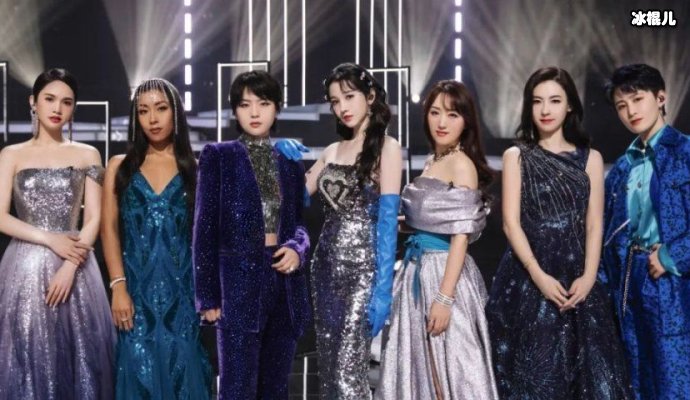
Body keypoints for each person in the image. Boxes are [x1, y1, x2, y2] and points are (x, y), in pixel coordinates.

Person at [485, 66, 632, 399]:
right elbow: (510, 223)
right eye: (537, 101)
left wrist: (589, 277)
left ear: (569, 106)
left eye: (554, 100)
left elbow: (594, 223)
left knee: (590, 378)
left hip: (579, 278)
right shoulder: (516, 156)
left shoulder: (591, 159)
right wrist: (539, 276)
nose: (545, 109)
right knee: (535, 377)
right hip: (527, 278)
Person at [279, 62, 402, 399]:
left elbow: (388, 223)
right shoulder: (332, 151)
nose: (342, 107)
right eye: (335, 101)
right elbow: (295, 198)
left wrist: (383, 290)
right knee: (331, 370)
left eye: (349, 96)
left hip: (363, 273)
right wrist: (283, 162)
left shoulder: (387, 148)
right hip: (324, 270)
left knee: (350, 374)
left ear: (370, 96)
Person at [375, 80, 498, 399]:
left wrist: (444, 298)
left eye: (452, 114)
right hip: (416, 272)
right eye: (435, 112)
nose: (442, 122)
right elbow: (426, 223)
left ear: (466, 121)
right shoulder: (434, 161)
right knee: (422, 371)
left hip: (444, 274)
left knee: (453, 370)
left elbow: (461, 236)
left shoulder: (462, 164)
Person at [193, 70, 310, 399]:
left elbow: (300, 223)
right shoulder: (219, 156)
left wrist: (297, 248)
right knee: (237, 388)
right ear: (235, 111)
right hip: (237, 287)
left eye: (264, 103)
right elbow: (204, 229)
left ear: (277, 109)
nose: (255, 113)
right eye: (245, 105)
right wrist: (208, 297)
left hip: (283, 284)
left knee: (275, 389)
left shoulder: (289, 161)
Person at [0, 68, 115, 399]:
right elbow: (0, 216)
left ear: (73, 108)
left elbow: (94, 218)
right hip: (24, 268)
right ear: (33, 102)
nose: (57, 108)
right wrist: (50, 239)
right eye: (49, 99)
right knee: (27, 356)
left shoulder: (88, 154)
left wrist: (70, 265)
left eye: (66, 102)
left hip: (76, 268)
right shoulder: (12, 154)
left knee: (79, 358)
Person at [101, 78, 212, 399]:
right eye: (143, 111)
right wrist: (118, 287)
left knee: (186, 375)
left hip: (184, 296)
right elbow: (108, 229)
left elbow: (205, 240)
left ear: (175, 112)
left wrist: (208, 295)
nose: (152, 119)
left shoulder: (196, 169)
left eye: (161, 108)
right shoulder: (120, 167)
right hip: (135, 296)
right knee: (137, 375)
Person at [600, 63, 690, 399]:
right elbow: (608, 232)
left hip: (671, 280)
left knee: (674, 376)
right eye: (621, 106)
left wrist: (670, 256)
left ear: (661, 97)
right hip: (629, 281)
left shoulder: (685, 153)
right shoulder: (622, 167)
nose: (631, 111)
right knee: (636, 376)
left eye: (638, 99)